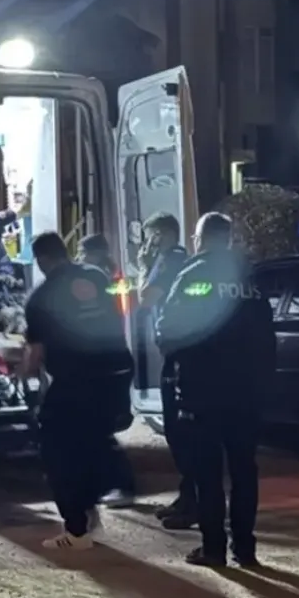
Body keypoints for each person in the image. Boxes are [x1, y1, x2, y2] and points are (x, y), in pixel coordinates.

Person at [156, 212, 275, 567]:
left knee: (207, 473)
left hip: (202, 391)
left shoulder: (194, 274)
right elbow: (267, 336)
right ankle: (245, 548)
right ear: (228, 238)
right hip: (247, 393)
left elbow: (167, 331)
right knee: (244, 472)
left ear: (200, 239)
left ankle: (213, 548)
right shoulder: (249, 280)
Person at [22, 231, 134, 550]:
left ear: (42, 260)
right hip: (117, 372)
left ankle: (77, 530)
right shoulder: (97, 275)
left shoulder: (41, 297)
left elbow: (35, 356)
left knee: (56, 450)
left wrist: (21, 370)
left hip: (77, 380)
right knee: (93, 439)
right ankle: (93, 509)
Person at [135, 212, 195, 529]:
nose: (147, 243)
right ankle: (188, 496)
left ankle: (193, 502)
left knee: (179, 431)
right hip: (184, 349)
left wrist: (143, 266)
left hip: (178, 353)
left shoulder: (168, 259)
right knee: (182, 431)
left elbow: (146, 297)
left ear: (161, 235)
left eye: (150, 236)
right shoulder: (182, 258)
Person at [75, 233, 137, 509]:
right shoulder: (112, 277)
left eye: (81, 253)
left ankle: (121, 485)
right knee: (99, 427)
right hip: (115, 358)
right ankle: (105, 482)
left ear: (91, 253)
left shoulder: (95, 280)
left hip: (104, 362)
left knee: (100, 428)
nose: (79, 258)